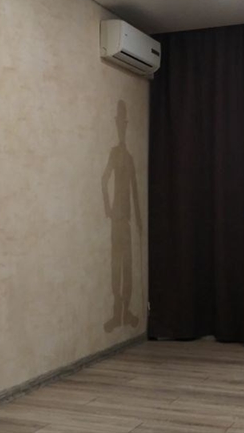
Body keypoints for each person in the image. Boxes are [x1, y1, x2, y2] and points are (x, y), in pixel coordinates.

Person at [101, 100, 143, 332]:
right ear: (116, 125)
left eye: (123, 124)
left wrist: (139, 220)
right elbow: (103, 179)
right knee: (116, 264)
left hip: (125, 220)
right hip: (117, 218)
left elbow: (135, 189)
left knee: (127, 266)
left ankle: (126, 311)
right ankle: (117, 312)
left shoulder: (129, 157)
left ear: (125, 127)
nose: (121, 129)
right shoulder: (115, 153)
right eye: (119, 124)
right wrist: (107, 208)